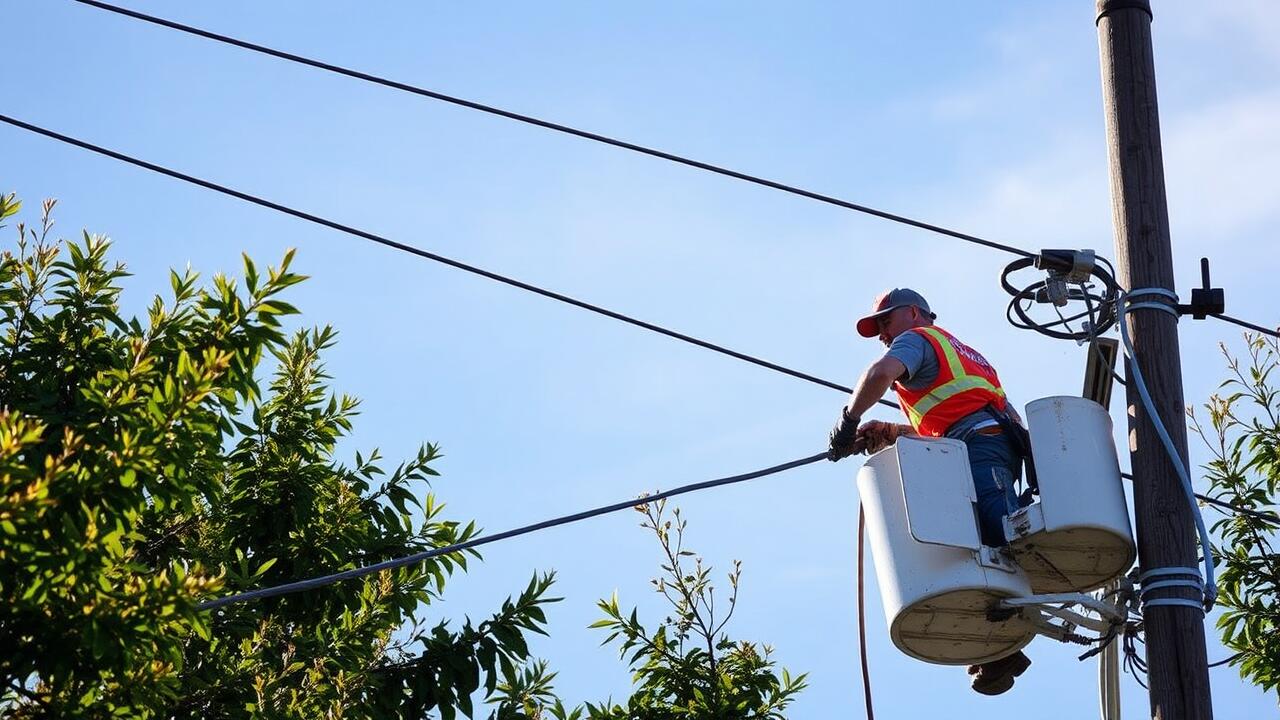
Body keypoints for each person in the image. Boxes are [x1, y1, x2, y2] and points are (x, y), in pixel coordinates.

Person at [827, 287, 1031, 696]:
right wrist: (889, 432)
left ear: (914, 312)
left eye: (886, 322)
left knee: (999, 532)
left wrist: (849, 420)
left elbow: (879, 375)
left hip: (980, 443)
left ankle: (1008, 629)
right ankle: (997, 644)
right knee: (979, 540)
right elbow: (954, 416)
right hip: (985, 441)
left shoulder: (916, 340)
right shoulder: (961, 352)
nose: (884, 333)